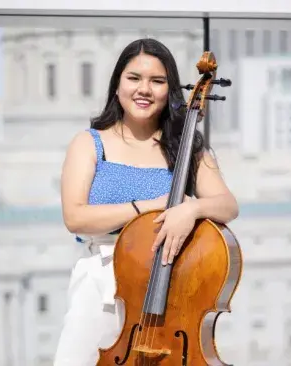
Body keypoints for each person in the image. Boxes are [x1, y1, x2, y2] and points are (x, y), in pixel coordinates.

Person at [53, 38, 239, 366]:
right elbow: (75, 217)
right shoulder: (89, 143)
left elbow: (227, 205)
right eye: (134, 78)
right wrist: (151, 206)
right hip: (100, 285)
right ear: (117, 85)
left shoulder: (186, 148)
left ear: (170, 90)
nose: (145, 89)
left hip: (168, 288)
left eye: (157, 81)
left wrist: (191, 207)